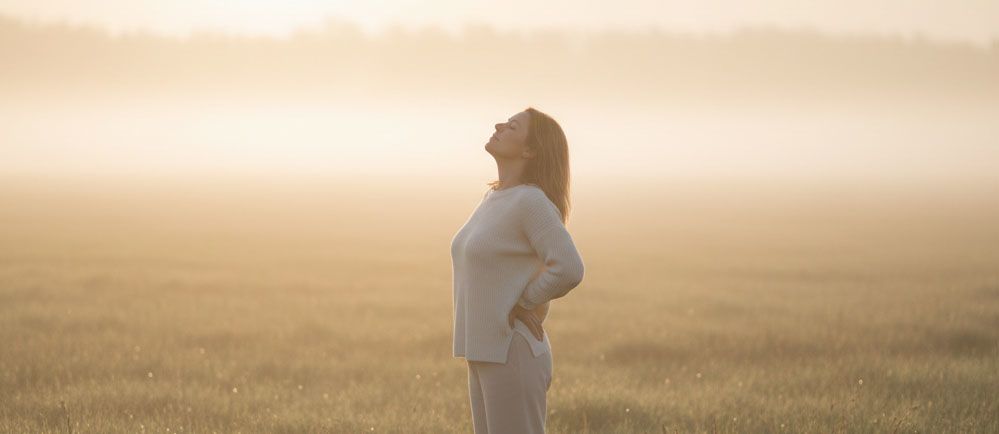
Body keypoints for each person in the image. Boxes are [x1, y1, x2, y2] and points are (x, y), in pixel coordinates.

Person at [450, 106, 585, 433]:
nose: (498, 125)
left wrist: (526, 302)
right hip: (483, 352)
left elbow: (569, 267)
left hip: (513, 353)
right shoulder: (494, 197)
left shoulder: (530, 201)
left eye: (512, 126)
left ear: (529, 150)